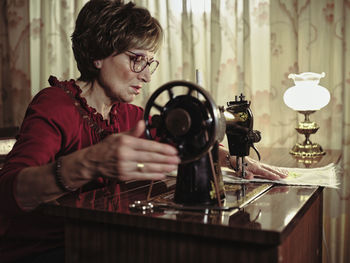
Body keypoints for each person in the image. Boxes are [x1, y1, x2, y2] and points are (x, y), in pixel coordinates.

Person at [0, 0, 287, 262]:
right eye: (137, 59)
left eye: (149, 62)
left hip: (102, 242)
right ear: (98, 54)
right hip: (48, 250)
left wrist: (235, 160)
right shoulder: (56, 105)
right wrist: (89, 163)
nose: (147, 76)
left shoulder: (129, 115)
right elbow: (9, 190)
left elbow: (180, 141)